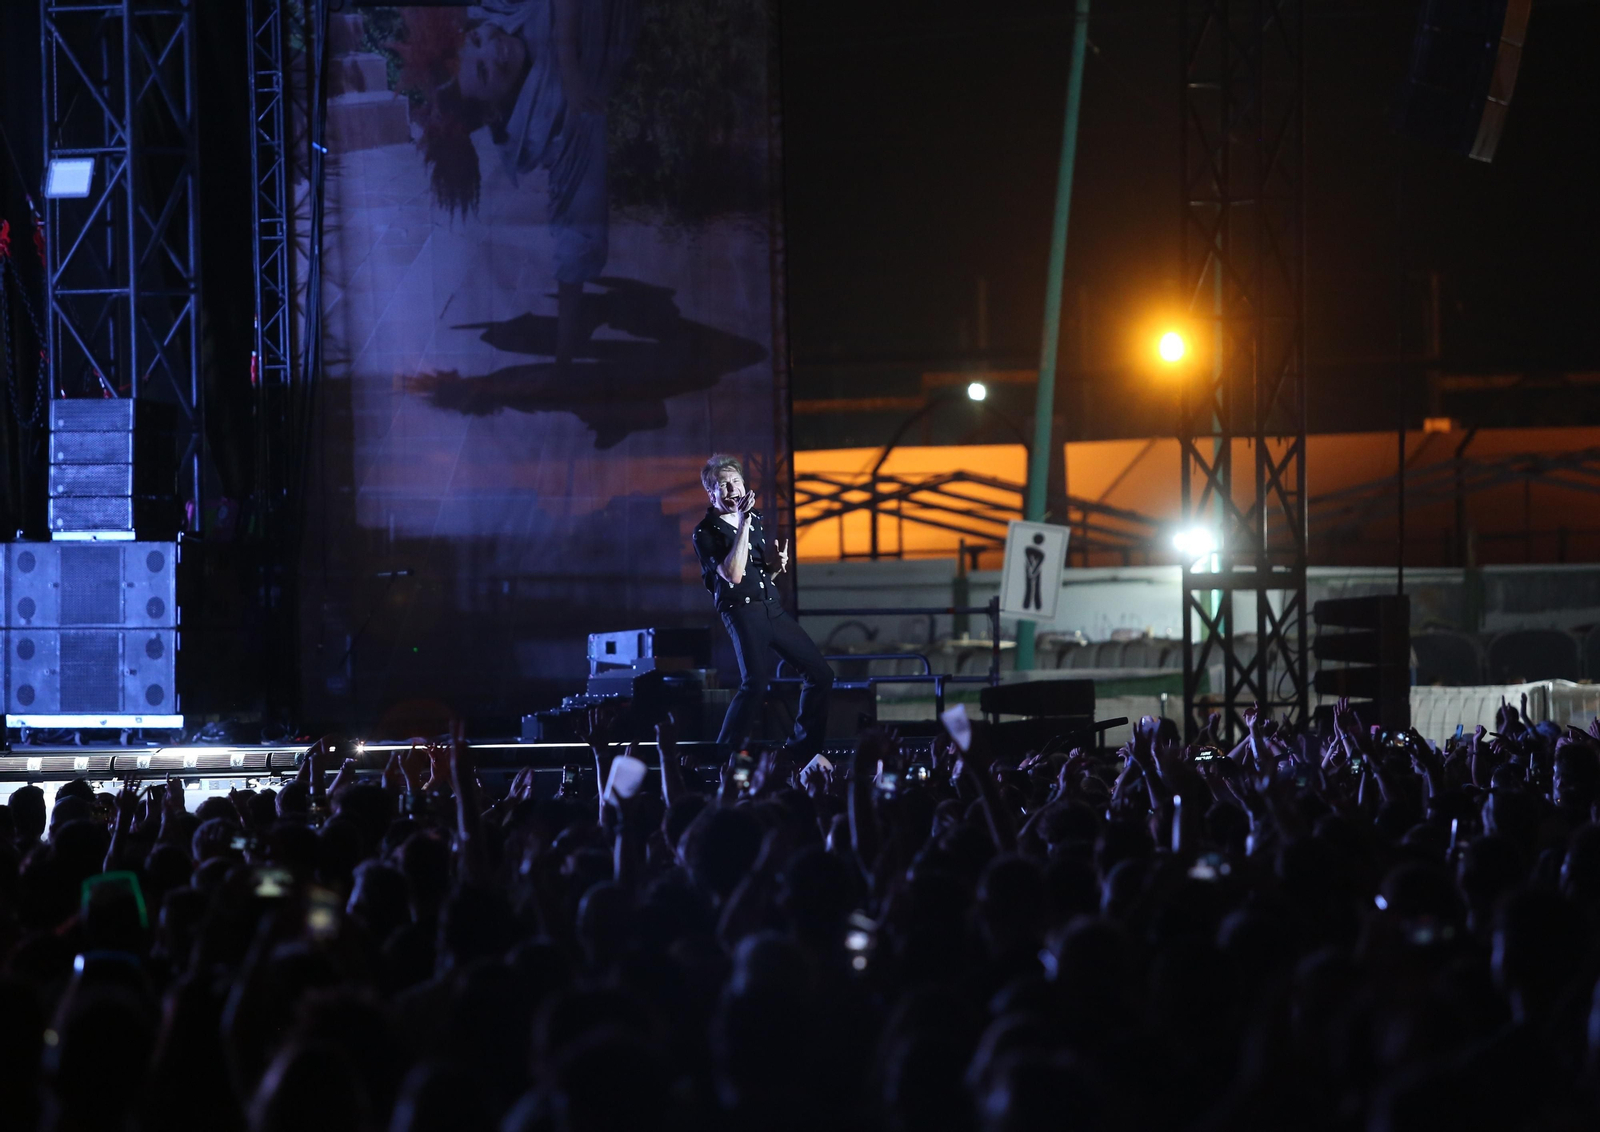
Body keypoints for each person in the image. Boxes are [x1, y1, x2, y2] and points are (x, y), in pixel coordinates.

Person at [402, 0, 640, 368]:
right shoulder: (555, 125)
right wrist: (564, 361)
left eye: (477, 41)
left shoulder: (504, 12)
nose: (492, 50)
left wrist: (568, 58)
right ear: (493, 109)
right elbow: (575, 233)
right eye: (484, 72)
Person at [691, 454, 834, 758]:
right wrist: (743, 522)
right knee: (755, 683)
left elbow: (754, 573)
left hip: (771, 607)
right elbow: (732, 575)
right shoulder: (705, 531)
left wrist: (774, 568)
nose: (732, 490)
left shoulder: (754, 519)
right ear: (711, 494)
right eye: (723, 485)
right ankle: (722, 756)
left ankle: (802, 750)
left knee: (820, 674)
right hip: (742, 612)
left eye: (736, 482)